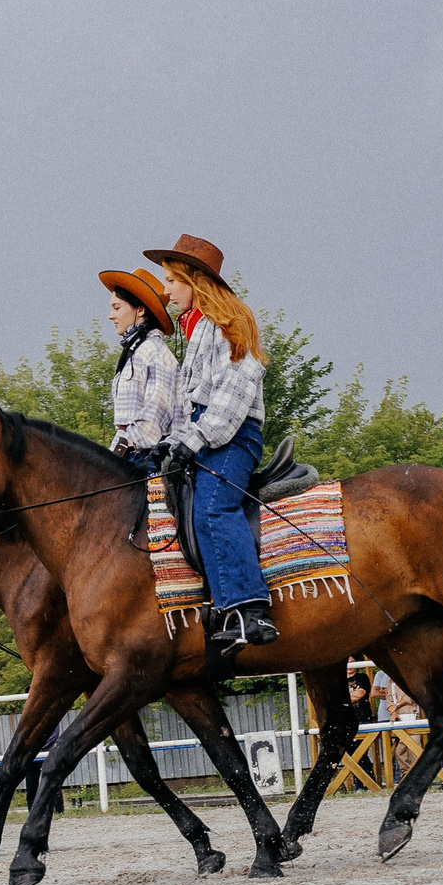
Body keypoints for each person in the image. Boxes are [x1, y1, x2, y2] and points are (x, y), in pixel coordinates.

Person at [144, 233, 276, 652]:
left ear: (195, 280)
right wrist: (172, 442)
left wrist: (196, 438)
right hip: (209, 435)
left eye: (170, 280)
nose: (164, 291)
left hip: (234, 437)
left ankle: (250, 610)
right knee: (185, 509)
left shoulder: (229, 323)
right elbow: (192, 405)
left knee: (214, 507)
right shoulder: (197, 330)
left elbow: (234, 390)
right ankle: (217, 605)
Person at [100, 265, 182, 465]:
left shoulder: (153, 352)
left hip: (148, 456)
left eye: (117, 307)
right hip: (133, 452)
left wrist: (115, 458)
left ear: (141, 309)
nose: (111, 315)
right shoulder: (136, 351)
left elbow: (153, 419)